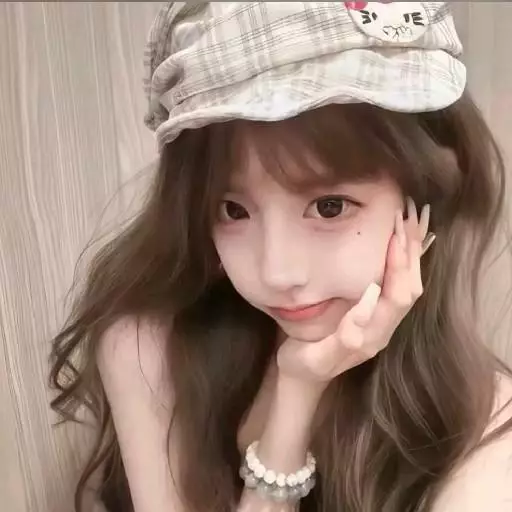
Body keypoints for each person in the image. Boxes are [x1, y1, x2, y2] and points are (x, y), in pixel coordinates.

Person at [49, 2, 512, 512]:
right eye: (232, 210)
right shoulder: (149, 349)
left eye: (329, 206)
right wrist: (298, 391)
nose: (277, 271)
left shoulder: (488, 435)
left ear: (423, 198)